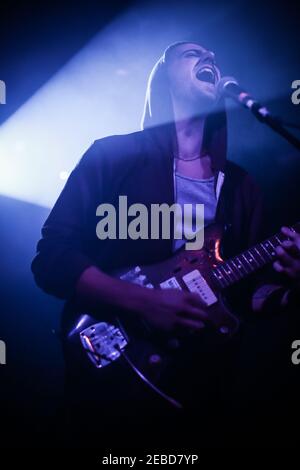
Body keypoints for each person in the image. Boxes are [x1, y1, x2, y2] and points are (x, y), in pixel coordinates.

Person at [32, 42, 300, 447]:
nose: (209, 58)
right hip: (111, 368)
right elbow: (51, 258)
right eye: (192, 54)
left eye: (214, 54)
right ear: (163, 78)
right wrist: (141, 301)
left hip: (195, 393)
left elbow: (248, 299)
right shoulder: (113, 156)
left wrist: (293, 285)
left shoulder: (240, 186)